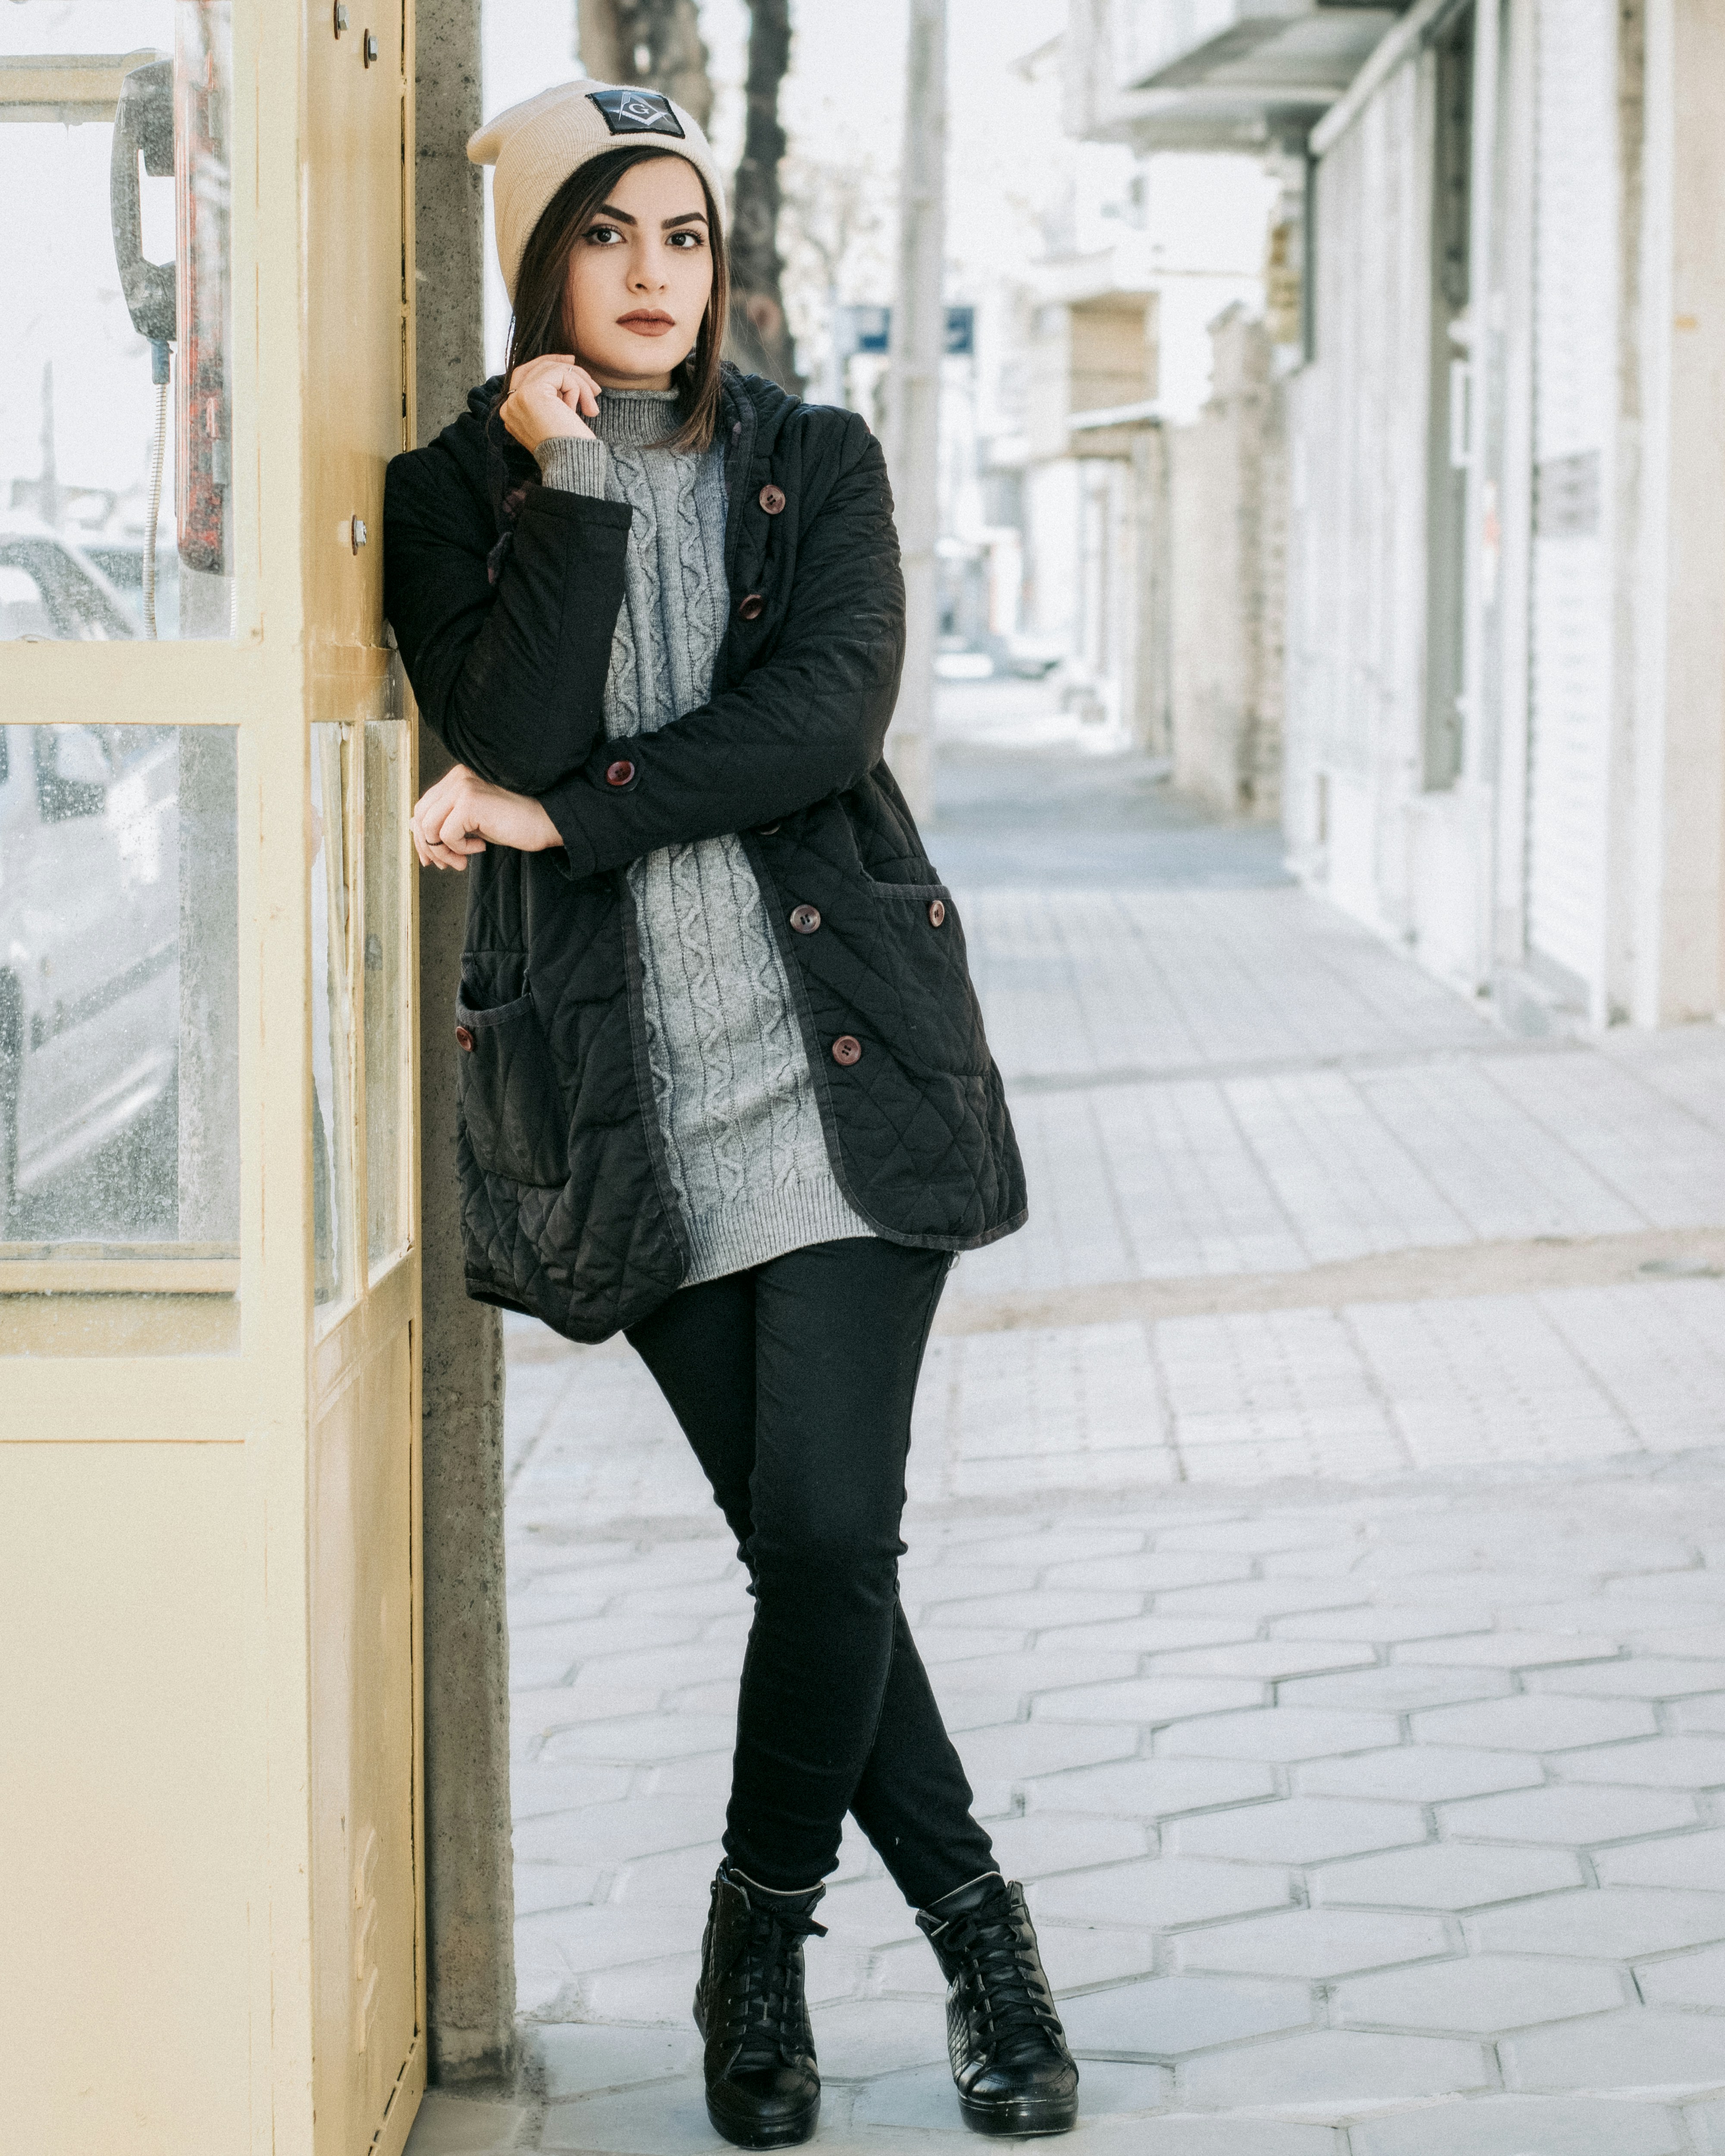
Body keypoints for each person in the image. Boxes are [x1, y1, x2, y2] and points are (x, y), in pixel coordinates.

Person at [383, 79, 1078, 2150]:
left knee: (827, 1536)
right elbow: (503, 719)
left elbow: (819, 722)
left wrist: (567, 815)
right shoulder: (450, 495)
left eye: (681, 233)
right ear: (539, 260)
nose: (653, 273)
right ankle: (979, 1931)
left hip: (845, 1073)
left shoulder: (813, 459)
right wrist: (568, 484)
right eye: (606, 233)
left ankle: (759, 1943)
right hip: (630, 1111)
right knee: (812, 1561)